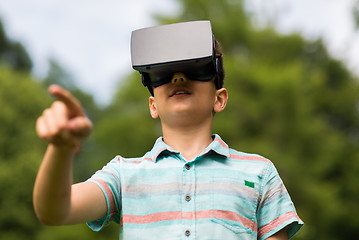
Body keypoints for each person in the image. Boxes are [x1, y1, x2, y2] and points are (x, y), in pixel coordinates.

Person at [33, 21, 303, 240]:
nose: (178, 77)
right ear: (153, 105)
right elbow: (55, 210)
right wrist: (61, 149)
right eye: (162, 74)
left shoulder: (259, 173)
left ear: (219, 99)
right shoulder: (123, 175)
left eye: (196, 69)